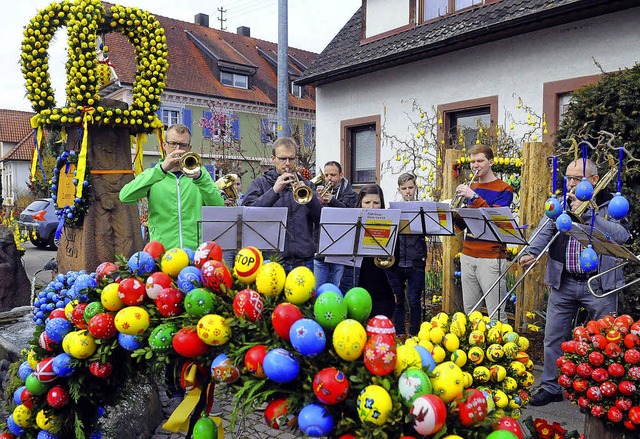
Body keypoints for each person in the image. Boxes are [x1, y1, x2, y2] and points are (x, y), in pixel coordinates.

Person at [520, 158, 629, 406]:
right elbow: (544, 231)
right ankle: (550, 386)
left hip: (599, 284)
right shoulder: (561, 202)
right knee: (553, 337)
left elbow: (621, 236)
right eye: (567, 178)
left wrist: (590, 213)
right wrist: (531, 253)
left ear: (592, 180)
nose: (569, 184)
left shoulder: (611, 203)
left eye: (576, 179)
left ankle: (600, 391)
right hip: (565, 281)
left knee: (603, 339)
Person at [119, 123, 224, 250]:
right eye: (173, 143)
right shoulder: (153, 174)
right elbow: (125, 196)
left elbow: (218, 207)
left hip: (195, 252)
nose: (177, 149)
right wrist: (161, 170)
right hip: (162, 253)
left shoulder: (202, 174)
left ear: (189, 148)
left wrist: (200, 178)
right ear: (164, 145)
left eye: (183, 145)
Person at [242, 137, 322, 272]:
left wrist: (311, 199)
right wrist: (274, 191)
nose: (287, 164)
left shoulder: (307, 185)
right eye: (282, 159)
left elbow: (321, 217)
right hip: (273, 259)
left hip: (303, 259)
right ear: (273, 159)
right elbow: (248, 214)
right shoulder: (261, 183)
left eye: (291, 159)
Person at [455, 144, 514, 323]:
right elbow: (463, 225)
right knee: (470, 312)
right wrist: (453, 213)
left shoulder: (504, 189)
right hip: (468, 254)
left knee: (496, 313)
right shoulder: (471, 187)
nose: (475, 165)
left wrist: (474, 197)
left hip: (491, 256)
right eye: (472, 162)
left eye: (480, 160)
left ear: (491, 162)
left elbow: (495, 220)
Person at [387, 173, 427, 336]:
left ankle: (415, 334)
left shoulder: (422, 211)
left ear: (415, 187)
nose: (408, 192)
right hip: (396, 262)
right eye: (404, 189)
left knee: (415, 301)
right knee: (398, 301)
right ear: (399, 190)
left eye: (410, 188)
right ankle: (400, 333)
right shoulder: (392, 211)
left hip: (415, 261)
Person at [353, 184, 397, 319]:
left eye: (376, 203)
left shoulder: (390, 223)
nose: (371, 207)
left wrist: (396, 289)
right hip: (358, 282)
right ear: (360, 203)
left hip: (383, 286)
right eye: (367, 202)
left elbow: (396, 261)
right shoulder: (352, 222)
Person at [313, 161, 358, 287]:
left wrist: (332, 200)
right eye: (326, 175)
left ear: (341, 175)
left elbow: (351, 216)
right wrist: (315, 199)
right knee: (317, 290)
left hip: (340, 252)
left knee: (338, 289)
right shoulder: (317, 192)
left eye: (332, 175)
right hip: (320, 250)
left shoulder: (352, 195)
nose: (329, 178)